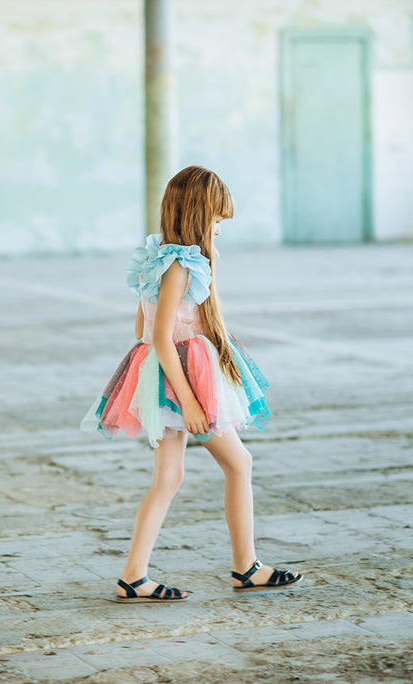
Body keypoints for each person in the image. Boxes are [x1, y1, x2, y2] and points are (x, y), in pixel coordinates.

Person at [81, 165, 302, 602]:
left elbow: (141, 329)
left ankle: (134, 575)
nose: (219, 231)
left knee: (168, 477)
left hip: (163, 376)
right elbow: (161, 336)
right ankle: (246, 566)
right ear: (199, 215)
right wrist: (192, 401)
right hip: (185, 380)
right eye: (217, 221)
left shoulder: (157, 259)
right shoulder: (181, 265)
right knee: (239, 464)